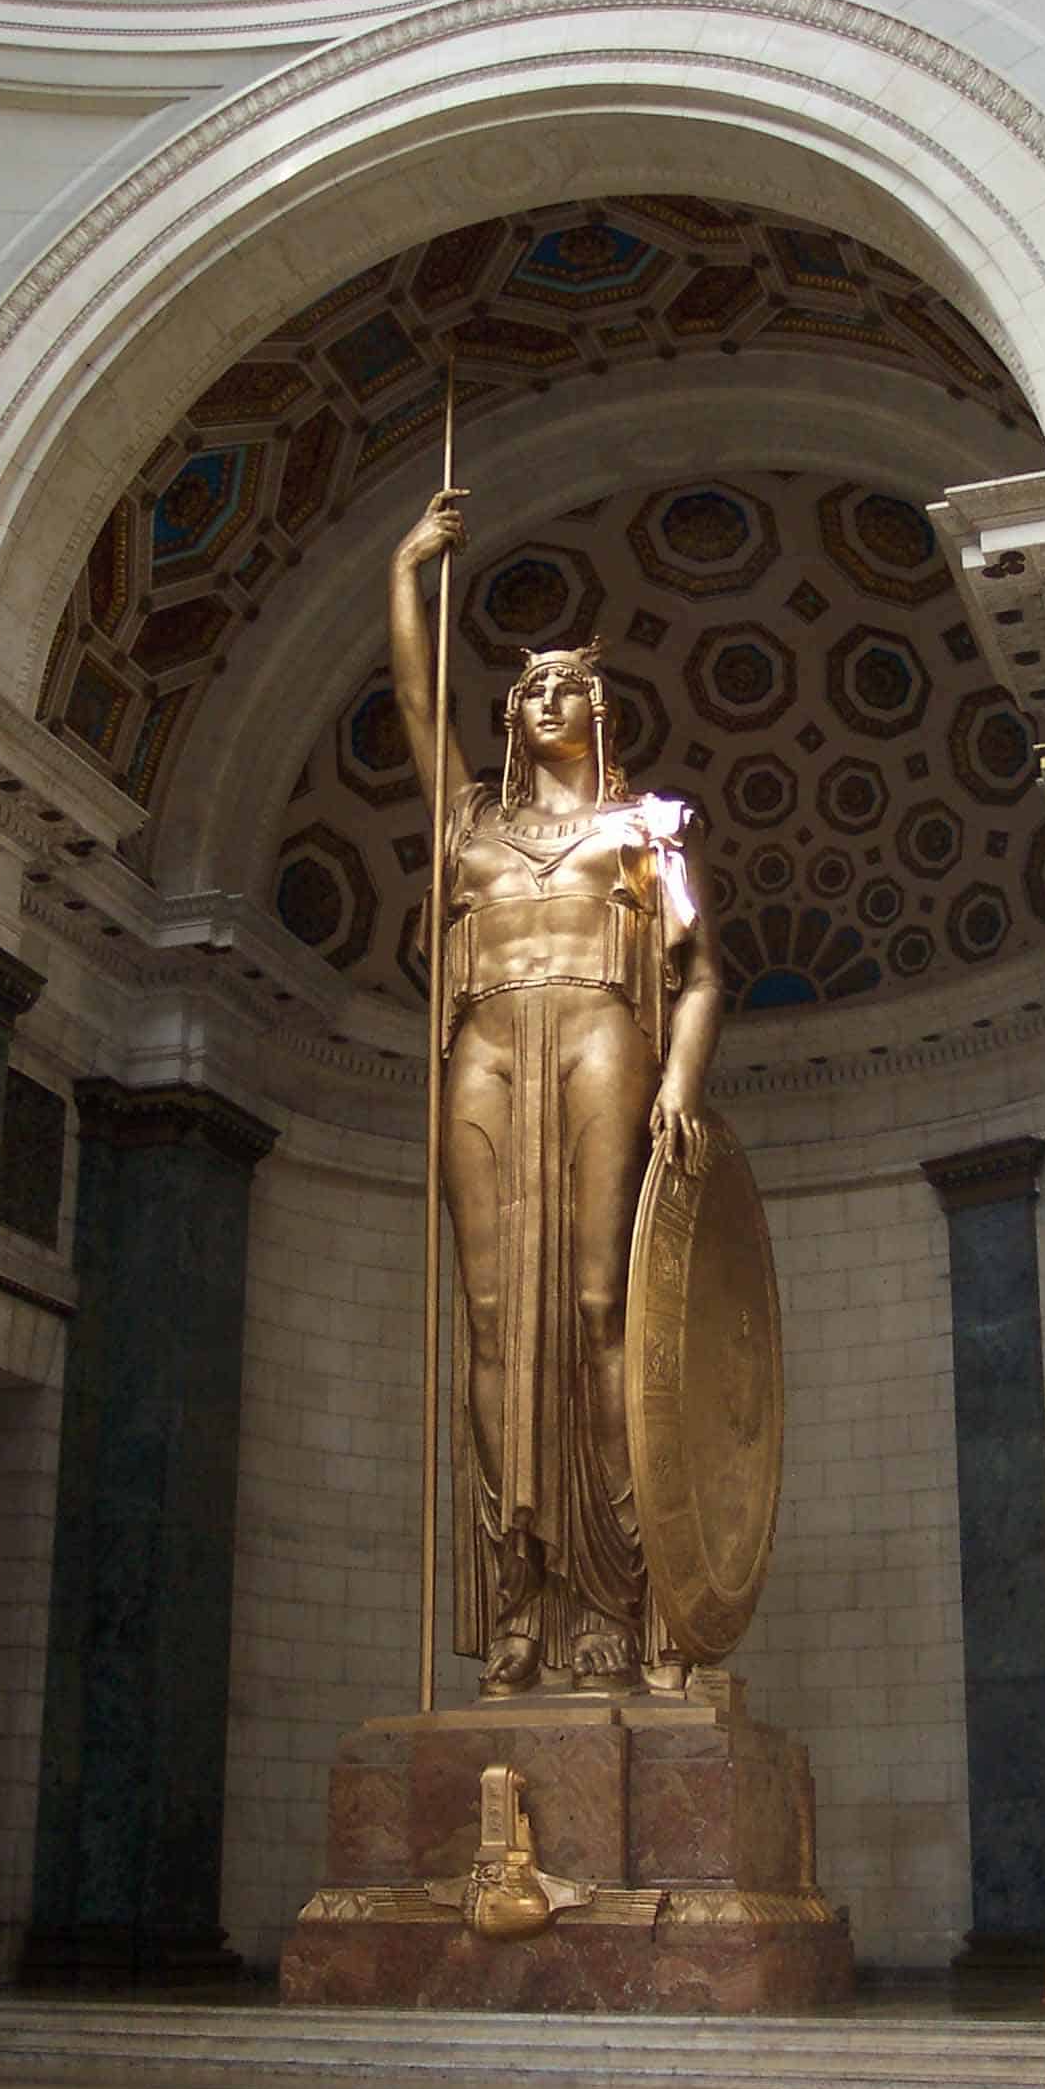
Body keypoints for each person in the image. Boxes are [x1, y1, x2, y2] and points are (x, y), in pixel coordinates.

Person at [389, 488, 725, 1696]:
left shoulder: (650, 826)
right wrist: (406, 569)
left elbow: (698, 974)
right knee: (490, 1319)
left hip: (600, 1035)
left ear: (600, 705)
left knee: (594, 1312)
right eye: (526, 686)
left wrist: (682, 1077)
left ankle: (620, 1596)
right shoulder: (468, 825)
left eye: (564, 684)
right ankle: (520, 1590)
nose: (543, 698)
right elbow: (415, 700)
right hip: (483, 1048)